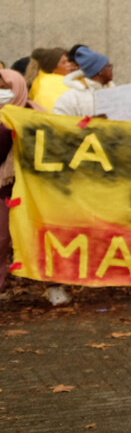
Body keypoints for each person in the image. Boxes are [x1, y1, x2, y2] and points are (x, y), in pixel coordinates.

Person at [1, 69, 43, 294]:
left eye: (5, 88)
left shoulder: (37, 114)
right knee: (1, 239)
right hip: (4, 188)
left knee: (44, 236)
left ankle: (53, 284)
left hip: (36, 189)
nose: (2, 92)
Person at [52, 47, 114, 118]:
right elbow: (60, 126)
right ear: (100, 71)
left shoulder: (113, 89)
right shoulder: (69, 98)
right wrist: (89, 123)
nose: (111, 69)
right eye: (108, 66)